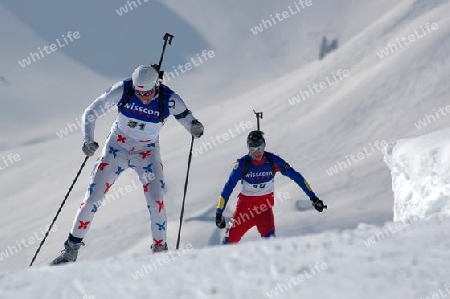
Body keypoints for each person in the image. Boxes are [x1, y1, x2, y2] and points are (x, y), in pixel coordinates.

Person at [51, 65, 204, 265]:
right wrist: (88, 140)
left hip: (147, 153)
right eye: (139, 92)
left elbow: (188, 119)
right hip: (117, 148)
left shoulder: (170, 99)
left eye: (148, 92)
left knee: (157, 200)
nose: (143, 97)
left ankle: (160, 252)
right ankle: (70, 252)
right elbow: (91, 112)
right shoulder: (123, 89)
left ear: (156, 85)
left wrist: (195, 127)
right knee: (92, 199)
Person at [215, 130, 325, 244]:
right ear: (248, 148)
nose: (256, 152)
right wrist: (219, 212)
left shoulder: (273, 161)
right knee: (227, 245)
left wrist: (313, 198)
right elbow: (228, 187)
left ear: (264, 146)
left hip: (264, 211)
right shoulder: (242, 164)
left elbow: (296, 177)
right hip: (244, 212)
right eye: (252, 149)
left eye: (260, 147)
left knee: (271, 246)